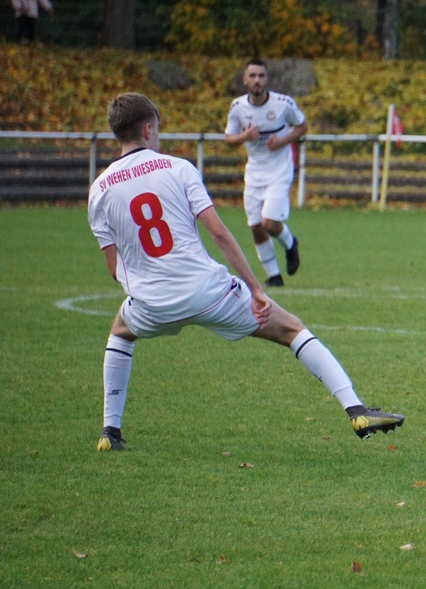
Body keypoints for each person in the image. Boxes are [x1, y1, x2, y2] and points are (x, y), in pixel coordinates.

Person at [88, 93, 404, 452]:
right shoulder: (177, 168)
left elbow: (115, 268)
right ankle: (357, 410)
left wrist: (149, 288)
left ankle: (109, 433)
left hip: (150, 303)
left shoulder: (99, 189)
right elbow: (219, 232)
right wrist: (256, 289)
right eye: (157, 129)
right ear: (148, 129)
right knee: (291, 329)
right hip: (209, 292)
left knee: (121, 333)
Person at [224, 58, 305, 287]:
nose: (257, 80)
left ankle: (289, 243)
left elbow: (302, 125)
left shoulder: (283, 104)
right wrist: (244, 137)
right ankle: (274, 276)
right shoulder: (237, 107)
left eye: (261, 76)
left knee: (269, 223)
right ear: (245, 80)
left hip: (279, 171)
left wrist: (283, 140)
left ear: (267, 79)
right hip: (254, 173)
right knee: (256, 227)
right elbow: (230, 138)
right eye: (252, 76)